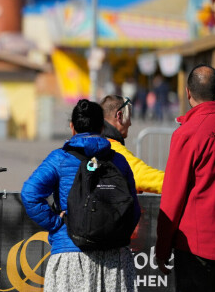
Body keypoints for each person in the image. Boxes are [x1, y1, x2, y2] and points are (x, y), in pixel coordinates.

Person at [22, 99, 139, 292]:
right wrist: (117, 231)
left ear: (72, 127)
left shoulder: (59, 158)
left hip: (70, 252)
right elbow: (132, 208)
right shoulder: (119, 160)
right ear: (102, 127)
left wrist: (56, 223)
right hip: (114, 257)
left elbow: (29, 194)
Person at [154, 65, 215, 292]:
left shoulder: (188, 133)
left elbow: (172, 196)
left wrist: (162, 248)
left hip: (195, 246)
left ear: (188, 93)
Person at [100, 95, 164, 193]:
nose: (130, 123)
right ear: (119, 116)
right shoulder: (112, 149)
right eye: (129, 116)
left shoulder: (94, 143)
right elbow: (143, 176)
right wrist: (183, 183)